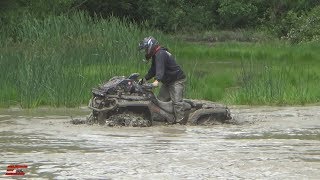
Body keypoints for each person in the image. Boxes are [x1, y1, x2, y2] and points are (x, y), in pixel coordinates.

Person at [138, 36, 186, 124]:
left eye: (146, 49)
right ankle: (164, 120)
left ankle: (181, 123)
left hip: (176, 80)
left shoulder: (160, 54)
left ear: (150, 46)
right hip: (168, 81)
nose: (145, 51)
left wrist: (157, 81)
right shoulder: (156, 55)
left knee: (177, 102)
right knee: (161, 100)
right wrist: (144, 79)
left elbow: (160, 70)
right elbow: (153, 70)